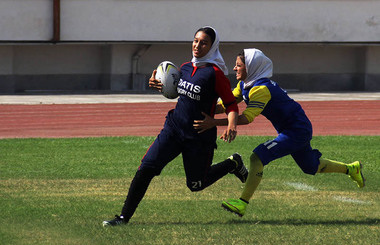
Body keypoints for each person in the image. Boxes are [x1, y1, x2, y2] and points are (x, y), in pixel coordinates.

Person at [102, 26, 248, 226]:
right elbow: (179, 91)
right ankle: (123, 218)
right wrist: (159, 85)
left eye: (203, 42)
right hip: (174, 128)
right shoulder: (186, 67)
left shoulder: (216, 74)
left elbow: (231, 105)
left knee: (196, 184)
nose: (197, 45)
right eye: (195, 40)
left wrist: (231, 125)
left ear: (212, 46)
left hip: (198, 136)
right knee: (146, 168)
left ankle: (233, 163)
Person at [193, 48, 365, 217]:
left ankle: (242, 203)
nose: (234, 69)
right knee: (311, 166)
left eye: (238, 65)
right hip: (295, 128)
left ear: (251, 67)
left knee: (257, 157)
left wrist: (213, 123)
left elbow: (246, 118)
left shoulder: (260, 89)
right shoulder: (245, 84)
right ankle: (351, 169)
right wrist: (197, 107)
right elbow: (226, 104)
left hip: (296, 130)